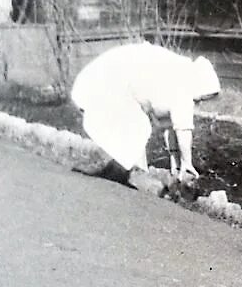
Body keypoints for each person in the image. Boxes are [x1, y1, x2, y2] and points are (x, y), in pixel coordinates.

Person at [71, 42, 220, 188]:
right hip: (119, 82)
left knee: (137, 127)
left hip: (127, 80)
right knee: (136, 129)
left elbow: (170, 127)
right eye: (202, 98)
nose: (200, 102)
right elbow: (183, 131)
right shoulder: (184, 91)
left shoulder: (180, 73)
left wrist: (175, 162)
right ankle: (135, 174)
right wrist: (187, 164)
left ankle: (134, 171)